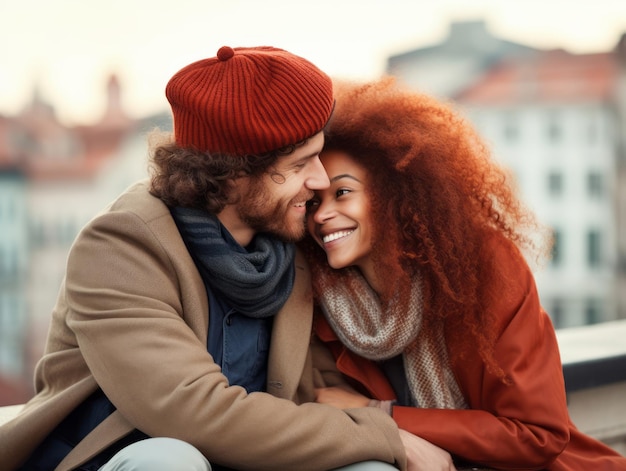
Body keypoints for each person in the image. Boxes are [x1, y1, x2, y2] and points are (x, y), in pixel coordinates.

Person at [0, 47, 418, 471]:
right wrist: (387, 436)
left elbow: (319, 387)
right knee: (170, 460)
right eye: (300, 164)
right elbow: (193, 411)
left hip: (252, 458)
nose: (319, 179)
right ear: (235, 172)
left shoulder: (287, 237)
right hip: (124, 455)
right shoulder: (119, 245)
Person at [301, 77, 626, 471]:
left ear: (396, 193)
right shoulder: (323, 300)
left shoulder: (482, 266)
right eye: (313, 201)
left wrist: (379, 412)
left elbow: (538, 435)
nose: (321, 215)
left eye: (343, 193)